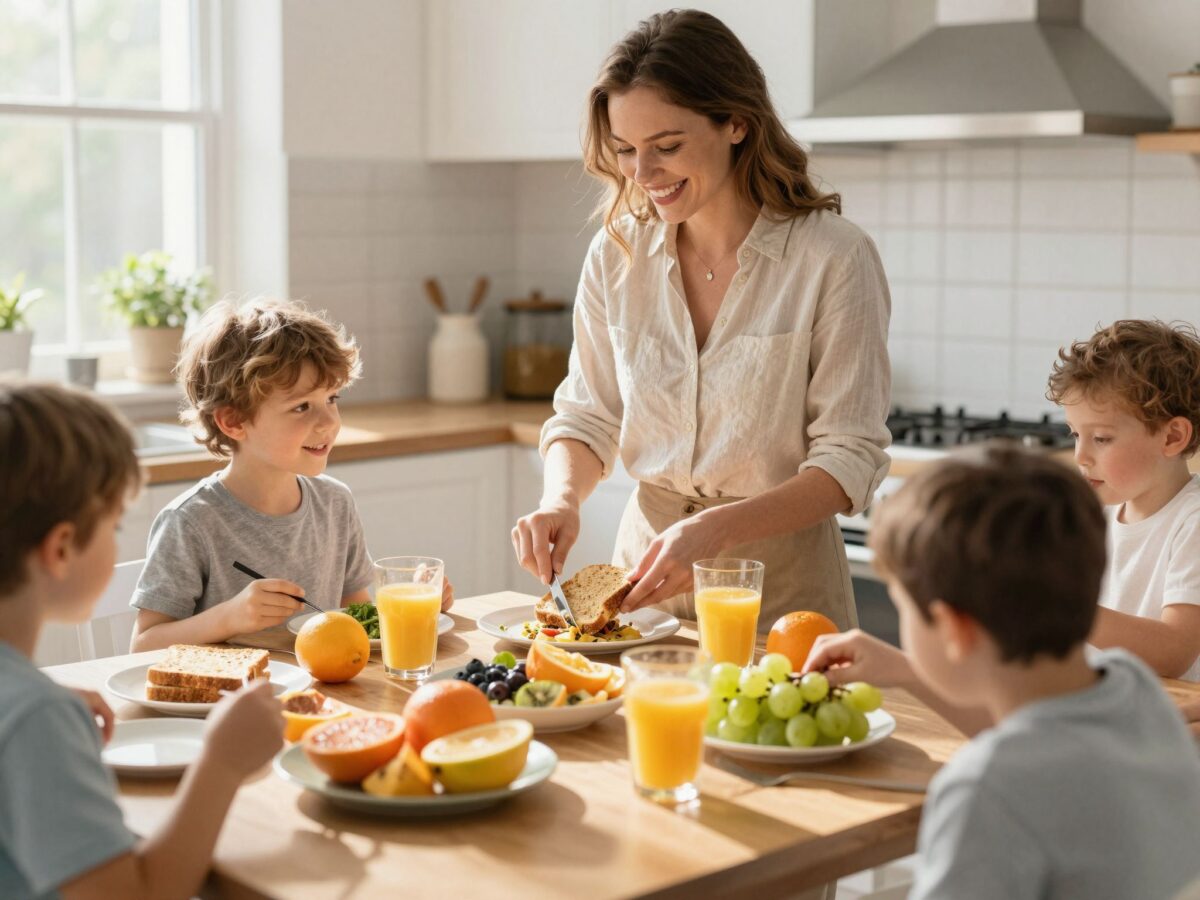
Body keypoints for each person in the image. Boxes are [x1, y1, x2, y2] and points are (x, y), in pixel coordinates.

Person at [511, 9, 890, 629]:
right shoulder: (617, 253)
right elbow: (587, 414)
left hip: (781, 591)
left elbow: (847, 458)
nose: (641, 174)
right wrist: (562, 500)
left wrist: (716, 531)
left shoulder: (833, 257)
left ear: (737, 122)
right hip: (642, 584)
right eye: (626, 150)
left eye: (666, 147)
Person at [815, 443, 1200, 899]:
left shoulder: (985, 790)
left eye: (905, 609)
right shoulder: (1131, 687)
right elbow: (1038, 737)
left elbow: (1020, 758)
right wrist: (903, 670)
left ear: (954, 629)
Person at [0, 380, 283, 899]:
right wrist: (221, 762)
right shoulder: (35, 718)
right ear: (61, 548)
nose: (117, 541)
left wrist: (41, 707)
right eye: (113, 526)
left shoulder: (26, 704)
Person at [131, 299, 453, 651]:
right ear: (234, 421)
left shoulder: (335, 503)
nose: (329, 422)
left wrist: (413, 607)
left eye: (332, 399)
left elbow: (357, 616)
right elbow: (144, 645)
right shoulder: (191, 522)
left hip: (326, 695)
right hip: (234, 702)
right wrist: (230, 617)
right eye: (302, 407)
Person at [1047, 319, 1200, 681]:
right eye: (1075, 435)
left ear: (1172, 437)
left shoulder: (1193, 523)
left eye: (1101, 438)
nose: (1080, 455)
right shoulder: (1098, 514)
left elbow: (1173, 654)